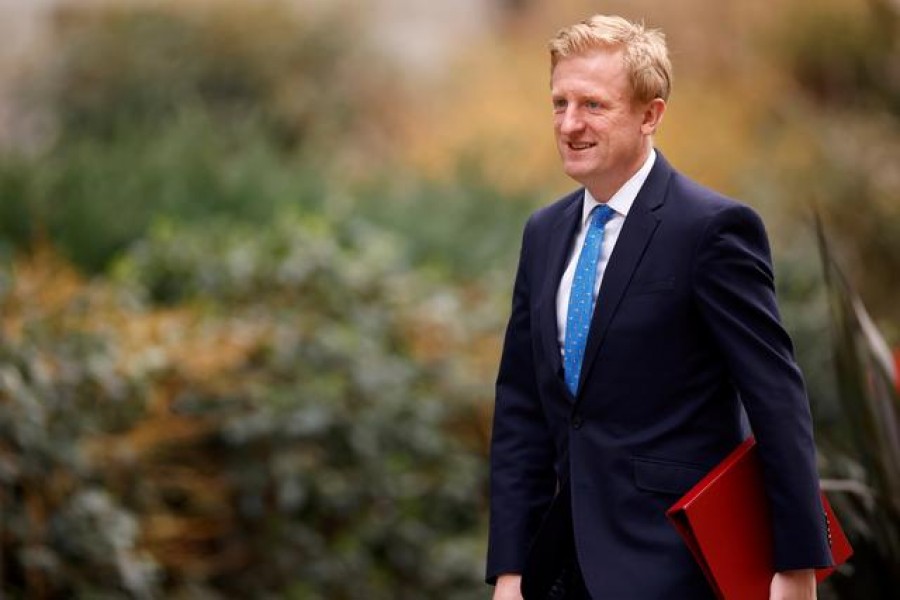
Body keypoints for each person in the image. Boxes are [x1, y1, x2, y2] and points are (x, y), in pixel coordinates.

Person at [485, 14, 834, 600]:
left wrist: (797, 568)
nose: (570, 124)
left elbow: (776, 398)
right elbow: (521, 409)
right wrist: (512, 570)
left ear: (651, 114)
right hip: (559, 572)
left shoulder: (714, 229)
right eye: (559, 103)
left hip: (677, 567)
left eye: (593, 105)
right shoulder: (543, 233)